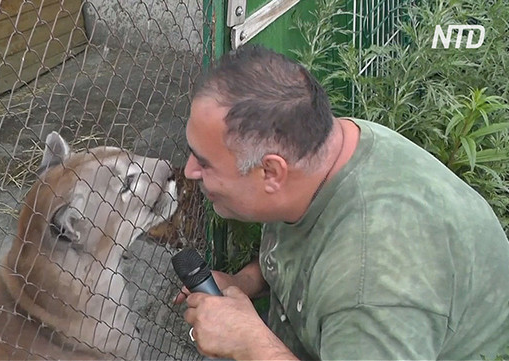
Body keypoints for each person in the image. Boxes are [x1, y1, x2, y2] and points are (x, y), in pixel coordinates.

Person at [174, 44, 509, 360]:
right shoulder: (324, 150)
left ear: (272, 172)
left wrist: (250, 344)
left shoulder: (376, 284)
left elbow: (363, 283)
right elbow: (310, 251)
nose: (189, 171)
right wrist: (243, 284)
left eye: (204, 161)